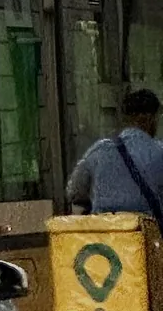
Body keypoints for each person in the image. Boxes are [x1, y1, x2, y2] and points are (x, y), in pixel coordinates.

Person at [67, 88, 163, 223]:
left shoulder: (99, 150)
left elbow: (74, 190)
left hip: (106, 235)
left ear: (125, 119)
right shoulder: (159, 151)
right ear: (150, 119)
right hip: (146, 234)